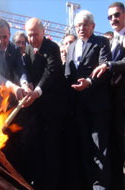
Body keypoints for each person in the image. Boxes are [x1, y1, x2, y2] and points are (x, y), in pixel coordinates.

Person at [18, 17, 68, 190]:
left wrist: (37, 91)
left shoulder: (52, 48)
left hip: (52, 110)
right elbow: (25, 72)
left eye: (35, 35)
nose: (32, 39)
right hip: (35, 113)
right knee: (36, 149)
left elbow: (51, 72)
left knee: (51, 150)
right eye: (29, 36)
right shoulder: (29, 51)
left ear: (43, 32)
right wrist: (27, 84)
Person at [65, 10, 111, 190]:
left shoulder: (101, 42)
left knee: (99, 150)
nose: (81, 28)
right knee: (83, 148)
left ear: (93, 26)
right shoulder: (71, 47)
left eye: (85, 24)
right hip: (77, 107)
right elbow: (68, 75)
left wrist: (90, 82)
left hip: (97, 106)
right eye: (78, 25)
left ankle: (100, 187)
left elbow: (104, 68)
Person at [91, 2, 125, 190]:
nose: (113, 19)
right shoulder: (109, 43)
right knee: (114, 151)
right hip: (111, 105)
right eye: (110, 17)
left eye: (117, 15)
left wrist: (110, 65)